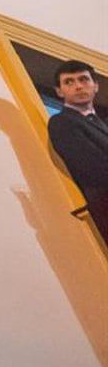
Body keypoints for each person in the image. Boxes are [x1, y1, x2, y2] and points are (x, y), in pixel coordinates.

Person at [47, 60, 108, 247]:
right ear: (59, 91)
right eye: (69, 82)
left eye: (83, 79)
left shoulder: (102, 124)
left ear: (95, 86)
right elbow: (90, 166)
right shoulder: (61, 122)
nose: (78, 86)